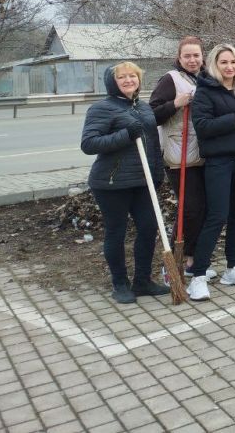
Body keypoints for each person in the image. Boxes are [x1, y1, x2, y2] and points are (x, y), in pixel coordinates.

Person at [81, 63, 168, 304]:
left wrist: (157, 174)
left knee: (149, 228)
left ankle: (142, 281)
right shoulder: (102, 108)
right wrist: (125, 135)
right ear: (113, 82)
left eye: (133, 76)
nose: (129, 80)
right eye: (122, 77)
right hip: (111, 182)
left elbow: (151, 144)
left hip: (143, 180)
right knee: (116, 232)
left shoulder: (143, 107)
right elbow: (89, 144)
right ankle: (120, 283)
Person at [189, 44, 235, 301]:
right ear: (214, 65)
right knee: (217, 215)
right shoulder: (205, 92)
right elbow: (203, 127)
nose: (230, 67)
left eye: (234, 62)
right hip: (219, 162)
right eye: (224, 62)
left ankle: (233, 267)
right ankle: (198, 275)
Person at [149, 36, 211, 279]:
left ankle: (192, 260)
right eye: (188, 56)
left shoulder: (207, 77)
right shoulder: (171, 79)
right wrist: (175, 103)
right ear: (179, 57)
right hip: (179, 154)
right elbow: (152, 114)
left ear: (202, 56)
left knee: (204, 209)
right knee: (190, 209)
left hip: (204, 152)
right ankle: (173, 263)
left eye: (196, 55)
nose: (193, 60)